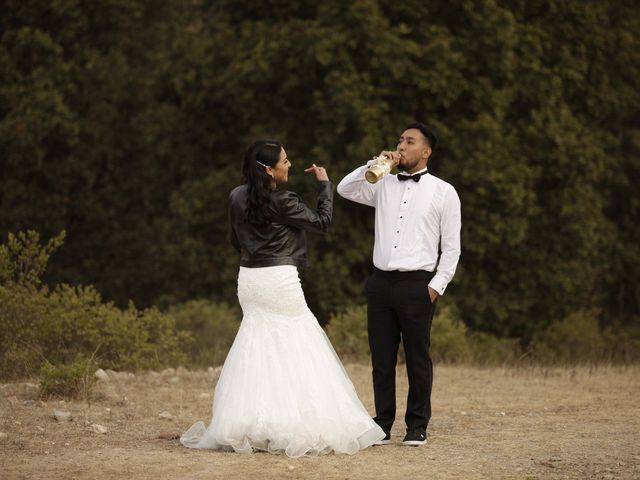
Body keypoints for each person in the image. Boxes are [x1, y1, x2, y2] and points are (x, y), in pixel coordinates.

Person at [180, 139, 385, 457]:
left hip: (249, 279)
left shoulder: (236, 196)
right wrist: (324, 185)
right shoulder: (284, 200)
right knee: (299, 340)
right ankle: (295, 422)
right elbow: (322, 222)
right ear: (269, 170)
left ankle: (250, 423)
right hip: (278, 279)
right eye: (285, 161)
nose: (289, 165)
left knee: (258, 341)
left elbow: (235, 239)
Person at [337, 122, 461, 446]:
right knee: (381, 359)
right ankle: (381, 423)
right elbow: (344, 189)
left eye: (410, 141)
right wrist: (374, 163)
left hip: (417, 285)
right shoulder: (383, 184)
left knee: (418, 358)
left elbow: (451, 248)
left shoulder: (444, 191)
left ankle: (417, 425)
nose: (401, 146)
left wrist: (435, 287)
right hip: (380, 283)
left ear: (426, 151)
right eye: (400, 140)